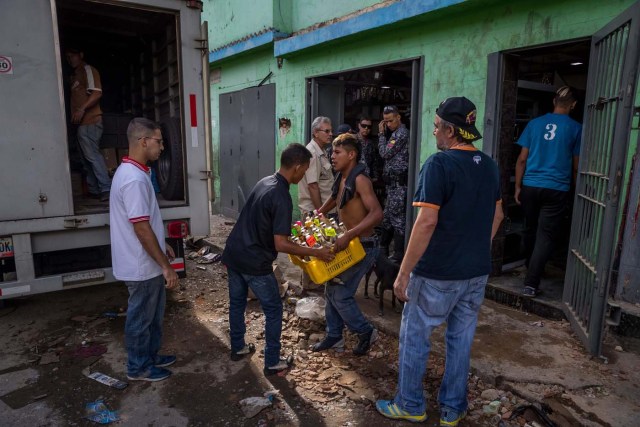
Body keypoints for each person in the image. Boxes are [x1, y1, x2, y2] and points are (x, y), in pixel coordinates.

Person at [376, 97, 503, 425]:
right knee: (460, 339)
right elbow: (498, 214)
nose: (433, 132)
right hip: (475, 272)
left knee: (415, 335)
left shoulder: (439, 164)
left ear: (450, 130)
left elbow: (426, 222)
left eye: (435, 127)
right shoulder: (489, 165)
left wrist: (403, 272)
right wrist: (475, 247)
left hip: (437, 272)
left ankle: (410, 404)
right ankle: (452, 409)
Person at [222, 144, 335, 376]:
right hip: (255, 261)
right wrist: (317, 252)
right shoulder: (282, 196)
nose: (304, 175)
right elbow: (280, 244)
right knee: (273, 309)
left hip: (234, 253)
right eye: (304, 170)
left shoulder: (264, 182)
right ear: (297, 167)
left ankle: (238, 348)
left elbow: (267, 224)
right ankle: (273, 362)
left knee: (237, 303)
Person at [109, 117, 179, 382]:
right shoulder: (134, 180)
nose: (161, 148)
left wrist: (163, 245)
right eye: (158, 142)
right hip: (141, 265)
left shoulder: (134, 172)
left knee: (152, 316)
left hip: (144, 261)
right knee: (141, 319)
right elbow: (140, 228)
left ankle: (149, 356)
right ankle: (138, 367)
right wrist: (164, 265)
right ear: (143, 141)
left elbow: (145, 221)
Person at [313, 133, 383, 356]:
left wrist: (348, 235)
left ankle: (365, 332)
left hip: (364, 245)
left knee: (341, 293)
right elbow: (335, 198)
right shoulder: (342, 176)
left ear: (351, 155)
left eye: (337, 152)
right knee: (330, 286)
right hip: (350, 243)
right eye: (332, 152)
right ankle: (334, 335)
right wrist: (318, 213)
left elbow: (377, 214)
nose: (332, 156)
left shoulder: (361, 179)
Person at [515, 86, 581, 297]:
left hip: (531, 186)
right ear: (573, 105)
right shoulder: (576, 128)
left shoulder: (534, 124)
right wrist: (577, 189)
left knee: (531, 228)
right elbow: (576, 165)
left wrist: (518, 186)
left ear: (554, 101)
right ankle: (531, 283)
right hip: (556, 188)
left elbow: (522, 159)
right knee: (545, 235)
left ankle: (530, 265)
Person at [65, 47, 112, 201]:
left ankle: (106, 188)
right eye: (68, 56)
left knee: (92, 155)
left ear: (81, 55)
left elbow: (97, 92)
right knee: (85, 159)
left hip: (91, 121)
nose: (70, 59)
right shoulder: (74, 76)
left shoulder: (88, 70)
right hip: (81, 125)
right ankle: (95, 190)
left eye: (73, 55)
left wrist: (81, 110)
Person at [378, 105, 409, 262]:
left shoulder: (400, 134)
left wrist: (381, 135)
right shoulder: (394, 134)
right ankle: (383, 250)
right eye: (385, 122)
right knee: (388, 217)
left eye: (390, 121)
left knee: (397, 219)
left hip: (399, 185)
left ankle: (398, 255)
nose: (388, 124)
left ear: (398, 118)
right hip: (392, 185)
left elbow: (385, 153)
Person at [298, 117, 335, 218]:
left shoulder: (321, 151)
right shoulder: (312, 153)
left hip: (321, 210)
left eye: (331, 131)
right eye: (327, 131)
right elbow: (312, 186)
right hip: (314, 212)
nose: (330, 134)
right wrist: (321, 214)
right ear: (316, 132)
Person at [357, 116, 385, 207]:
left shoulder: (370, 143)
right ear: (359, 126)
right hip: (355, 177)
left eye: (369, 127)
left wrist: (375, 177)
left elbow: (374, 162)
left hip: (368, 178)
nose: (366, 129)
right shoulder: (353, 140)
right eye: (363, 125)